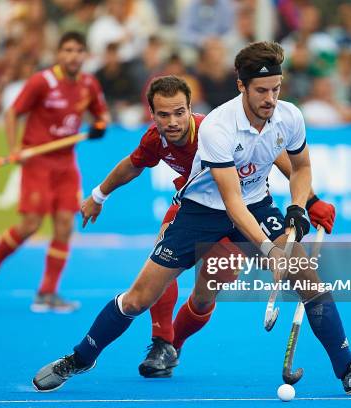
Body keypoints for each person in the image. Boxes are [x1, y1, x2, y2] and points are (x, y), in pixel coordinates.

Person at [32, 42, 351, 395]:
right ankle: (81, 357)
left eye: (276, 89)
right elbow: (231, 203)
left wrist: (301, 203)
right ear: (241, 87)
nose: (270, 98)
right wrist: (269, 250)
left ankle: (348, 370)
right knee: (138, 298)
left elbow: (300, 166)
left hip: (259, 205)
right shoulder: (218, 126)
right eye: (261, 90)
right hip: (202, 211)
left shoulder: (289, 115)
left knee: (309, 281)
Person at [80, 75, 336, 378]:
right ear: (153, 114)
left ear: (190, 109)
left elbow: (279, 155)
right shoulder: (156, 137)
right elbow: (133, 164)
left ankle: (176, 342)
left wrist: (311, 199)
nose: (173, 122)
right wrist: (99, 195)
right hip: (192, 209)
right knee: (161, 263)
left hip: (241, 210)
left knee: (205, 295)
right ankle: (161, 341)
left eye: (179, 113)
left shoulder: (212, 129)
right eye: (164, 114)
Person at [0, 31, 110, 312]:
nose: (73, 56)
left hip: (66, 164)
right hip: (38, 162)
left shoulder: (88, 83)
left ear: (85, 55)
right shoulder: (42, 81)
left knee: (64, 226)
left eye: (78, 51)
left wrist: (99, 126)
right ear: (59, 53)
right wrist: (14, 148)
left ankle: (47, 292)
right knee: (31, 225)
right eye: (68, 50)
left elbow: (102, 116)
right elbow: (12, 113)